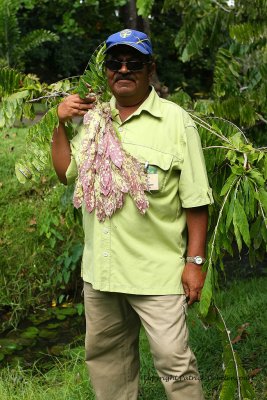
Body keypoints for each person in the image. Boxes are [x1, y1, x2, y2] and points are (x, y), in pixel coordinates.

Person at [51, 29, 213, 400]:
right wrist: (58, 122)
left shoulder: (175, 121)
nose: (123, 69)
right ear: (106, 69)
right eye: (115, 62)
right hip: (102, 275)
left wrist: (195, 261)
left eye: (134, 62)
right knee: (108, 362)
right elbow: (66, 172)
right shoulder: (96, 119)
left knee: (175, 363)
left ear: (150, 68)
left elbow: (195, 200)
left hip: (156, 273)